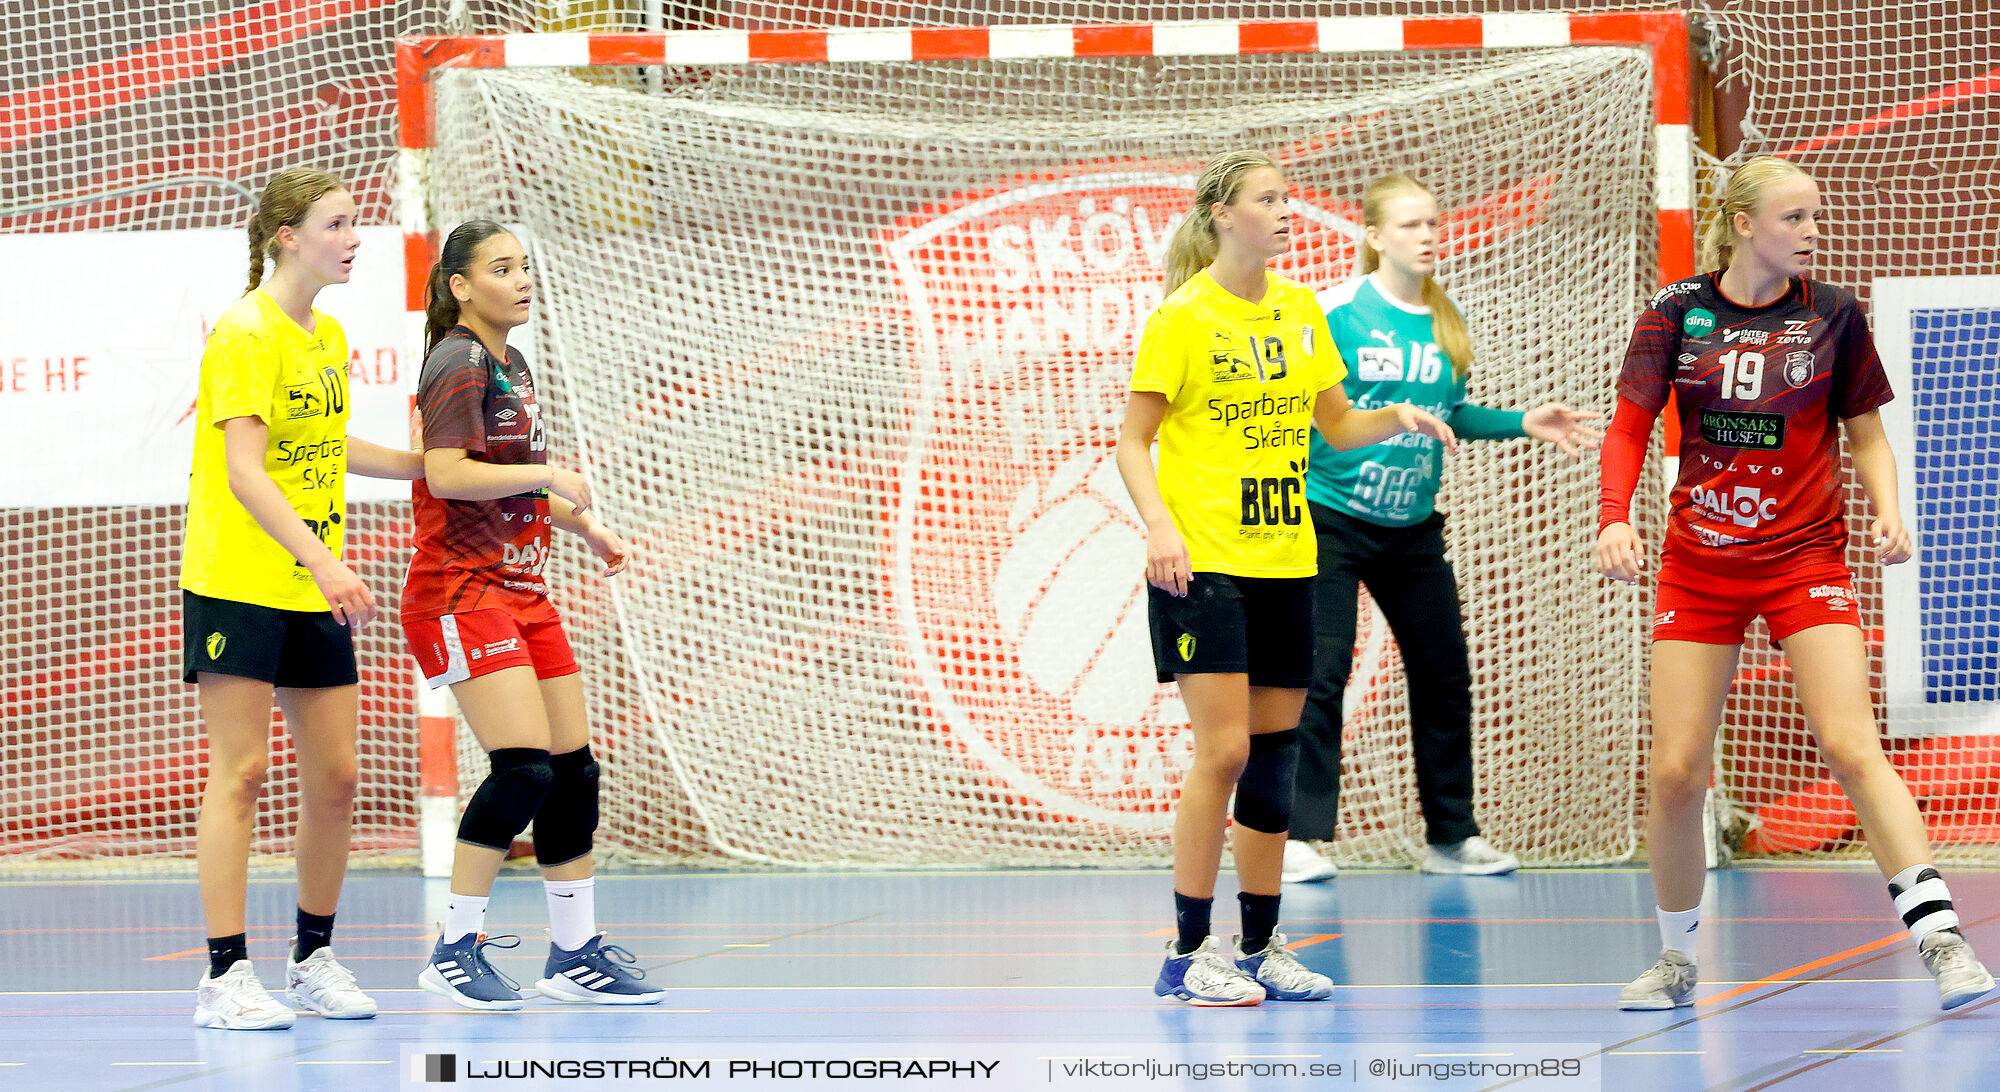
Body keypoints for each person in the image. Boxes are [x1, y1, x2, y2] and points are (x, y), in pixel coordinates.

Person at [1596, 155, 1995, 1012]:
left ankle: (1942, 941)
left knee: (1854, 746)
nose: (1813, 232)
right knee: (1674, 772)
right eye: (1795, 219)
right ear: (1744, 224)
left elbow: (1868, 434)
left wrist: (1889, 509)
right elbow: (1628, 429)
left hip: (1804, 561)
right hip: (1699, 568)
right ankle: (1675, 959)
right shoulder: (1674, 314)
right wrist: (1613, 516)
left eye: (1815, 217)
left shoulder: (1833, 315)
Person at [1116, 150, 1459, 1006]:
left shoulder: (1303, 310)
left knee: (1272, 761)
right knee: (1224, 751)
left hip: (1287, 559)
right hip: (1207, 562)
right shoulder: (1182, 319)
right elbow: (1132, 441)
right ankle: (1188, 951)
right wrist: (1160, 528)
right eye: (1268, 200)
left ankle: (1263, 945)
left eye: (1286, 199)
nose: (1286, 212)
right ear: (1225, 215)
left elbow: (1336, 426)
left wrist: (1397, 415)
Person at [1283, 173, 1602, 883]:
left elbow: (1449, 414)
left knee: (1443, 671)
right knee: (1321, 672)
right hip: (1329, 515)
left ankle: (1450, 837)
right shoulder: (1336, 312)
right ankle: (1296, 836)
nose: (1427, 236)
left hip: (1412, 526)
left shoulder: (1444, 319)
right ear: (1373, 237)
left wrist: (1522, 421)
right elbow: (1310, 408)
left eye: (1432, 223)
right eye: (1409, 225)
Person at [182, 166, 424, 1029]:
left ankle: (313, 959)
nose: (354, 236)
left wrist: (419, 468)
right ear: (287, 234)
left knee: (338, 779)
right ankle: (222, 978)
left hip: (309, 581)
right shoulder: (246, 333)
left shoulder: (325, 336)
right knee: (242, 772)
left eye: (355, 222)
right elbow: (245, 471)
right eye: (338, 222)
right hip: (238, 581)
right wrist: (326, 562)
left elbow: (326, 443)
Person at [402, 219, 663, 1010]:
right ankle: (454, 947)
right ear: (460, 287)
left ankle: (574, 954)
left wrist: (579, 522)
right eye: (501, 268)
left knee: (573, 774)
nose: (521, 280)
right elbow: (447, 475)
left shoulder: (512, 363)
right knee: (523, 767)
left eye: (524, 267)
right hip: (460, 591)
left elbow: (506, 481)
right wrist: (549, 471)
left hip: (522, 589)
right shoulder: (456, 360)